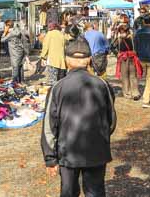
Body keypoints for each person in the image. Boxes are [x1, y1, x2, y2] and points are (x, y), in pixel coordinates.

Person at [42, 37, 117, 197]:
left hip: (67, 151)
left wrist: (50, 158)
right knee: (95, 191)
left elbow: (49, 126)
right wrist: (100, 136)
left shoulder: (57, 87)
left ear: (67, 60)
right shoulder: (102, 85)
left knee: (68, 192)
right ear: (89, 59)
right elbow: (111, 120)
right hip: (96, 148)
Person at [112, 24, 141, 100]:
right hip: (123, 60)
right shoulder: (118, 39)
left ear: (127, 31)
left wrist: (136, 52)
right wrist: (116, 53)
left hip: (132, 59)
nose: (122, 33)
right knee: (124, 77)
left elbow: (138, 46)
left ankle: (135, 93)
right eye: (120, 32)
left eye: (123, 32)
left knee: (133, 76)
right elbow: (111, 47)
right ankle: (127, 93)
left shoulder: (133, 38)